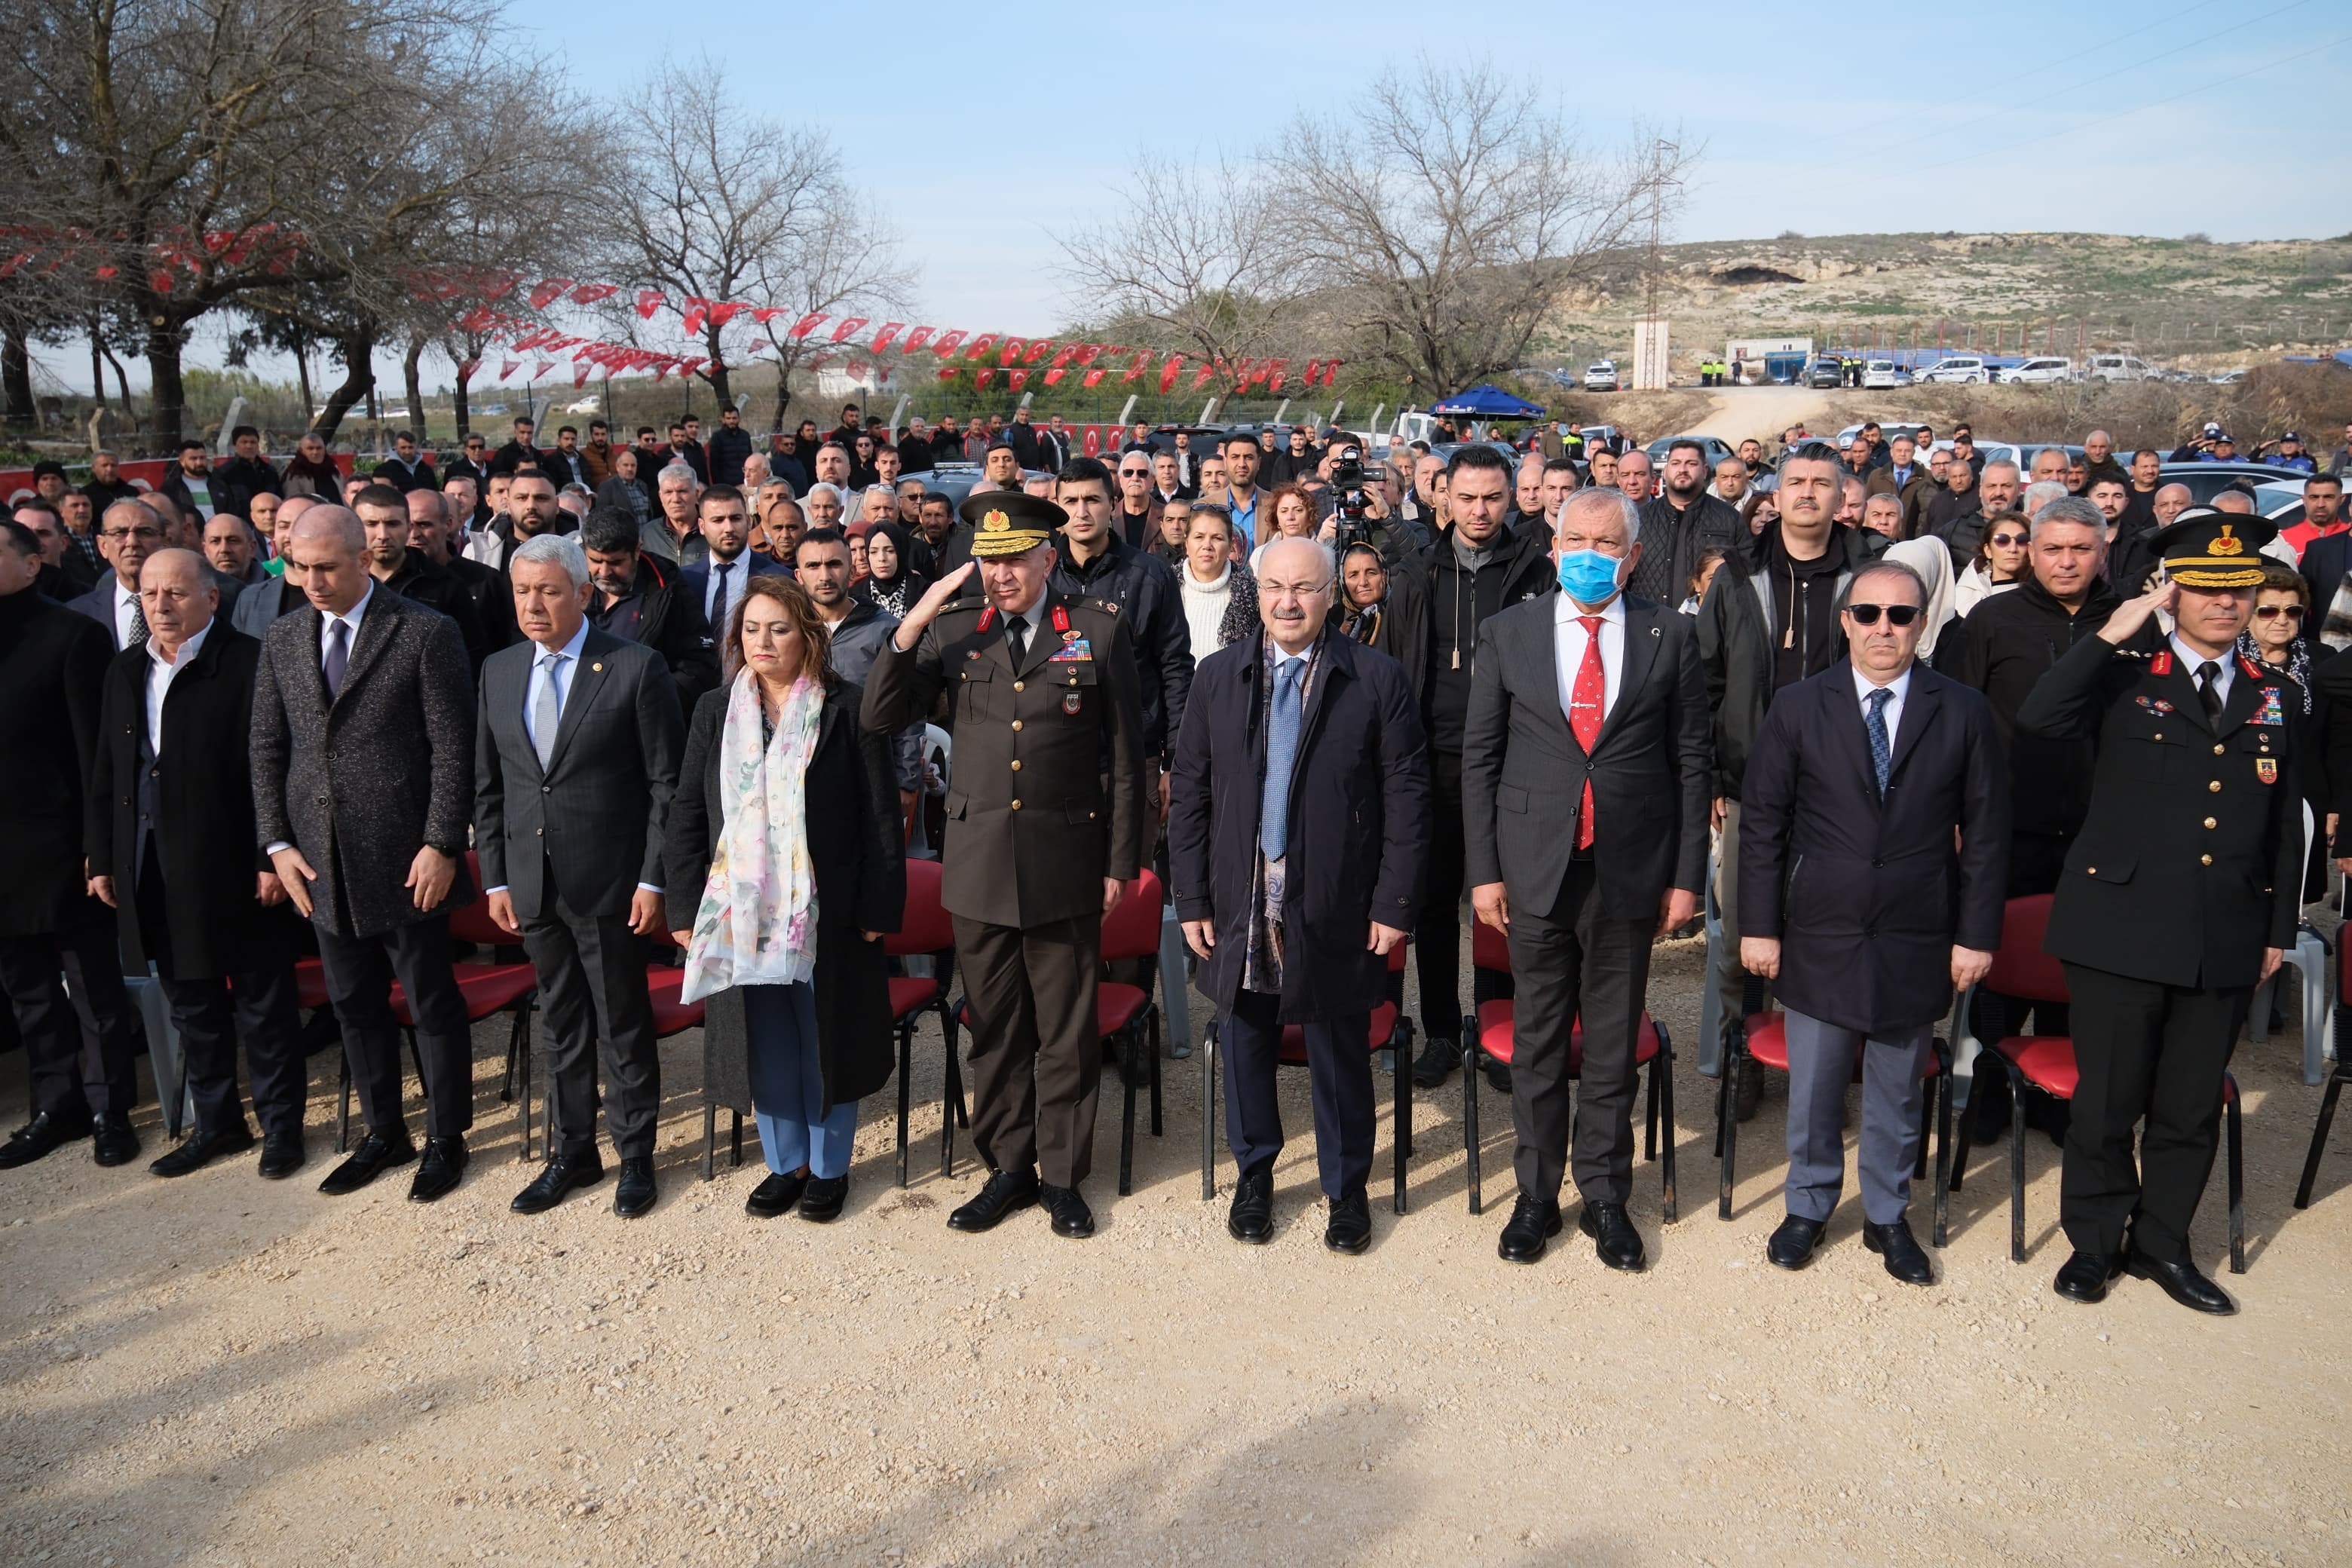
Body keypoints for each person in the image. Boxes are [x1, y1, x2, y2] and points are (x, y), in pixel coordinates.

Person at [2016, 510, 2301, 1316]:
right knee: (2107, 1102)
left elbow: (2285, 826)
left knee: (2187, 1107)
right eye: (2205, 588)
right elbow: (2039, 718)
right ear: (2173, 591)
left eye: (2239, 589)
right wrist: (2115, 628)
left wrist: (2277, 931)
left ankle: (2163, 1245)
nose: (2225, 603)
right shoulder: (2121, 673)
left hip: (2224, 933)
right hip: (2121, 926)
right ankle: (2095, 1242)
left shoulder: (2274, 694)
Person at [862, 494, 1150, 1239]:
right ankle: (1009, 1167)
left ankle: (1061, 1177)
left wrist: (1122, 860)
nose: (1000, 575)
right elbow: (880, 714)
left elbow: (1125, 757)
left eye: (1015, 560)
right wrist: (918, 616)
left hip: (1067, 861)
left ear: (1047, 560)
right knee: (993, 1026)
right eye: (989, 562)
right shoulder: (955, 632)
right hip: (980, 865)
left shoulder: (1095, 630)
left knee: (1063, 1028)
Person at [1460, 488, 1710, 1269]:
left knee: (1610, 1043)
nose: (1591, 554)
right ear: (1553, 546)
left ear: (1633, 557)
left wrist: (1686, 877)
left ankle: (1605, 1191)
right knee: (1536, 1042)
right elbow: (1481, 760)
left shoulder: (1673, 636)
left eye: (1608, 543)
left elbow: (1692, 760)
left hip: (1630, 870)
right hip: (1535, 869)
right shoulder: (1510, 632)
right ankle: (1536, 1193)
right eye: (1577, 539)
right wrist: (1484, 873)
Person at [1740, 559, 2007, 1284]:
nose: (1883, 628)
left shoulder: (1963, 710)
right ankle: (1809, 1204)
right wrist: (1758, 926)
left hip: (1917, 929)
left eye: (1900, 614)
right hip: (1820, 928)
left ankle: (1888, 1214)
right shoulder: (1798, 706)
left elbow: (1985, 833)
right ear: (1846, 620)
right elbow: (1762, 824)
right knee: (1817, 1083)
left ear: (1922, 624)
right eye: (1868, 614)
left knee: (1896, 1085)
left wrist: (1976, 935)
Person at [1169, 537, 1431, 1254]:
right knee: (1246, 1036)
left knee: (1338, 1043)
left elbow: (1408, 799)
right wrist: (1191, 896)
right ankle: (1255, 1174)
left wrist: (1393, 904)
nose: (1290, 601)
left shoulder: (1377, 679)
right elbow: (1189, 792)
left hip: (1337, 892)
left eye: (1307, 588)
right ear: (1258, 593)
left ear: (1331, 595)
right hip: (1239, 891)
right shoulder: (1219, 676)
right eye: (1276, 587)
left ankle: (1347, 1188)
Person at [250, 507, 478, 1202]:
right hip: (318, 863)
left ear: (362, 557)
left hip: (407, 858)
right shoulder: (283, 637)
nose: (311, 581)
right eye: (299, 566)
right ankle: (385, 1131)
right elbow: (266, 747)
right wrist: (277, 843)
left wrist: (441, 843)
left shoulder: (424, 631)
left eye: (325, 567)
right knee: (352, 1003)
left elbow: (453, 749)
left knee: (431, 1001)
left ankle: (446, 1136)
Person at [666, 574, 902, 1220]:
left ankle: (829, 1168)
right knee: (764, 1038)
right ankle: (784, 1163)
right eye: (751, 628)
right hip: (741, 910)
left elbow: (880, 815)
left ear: (808, 636)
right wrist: (683, 908)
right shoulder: (717, 709)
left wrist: (880, 908)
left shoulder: (845, 706)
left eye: (778, 628)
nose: (763, 641)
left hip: (829, 907)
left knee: (824, 1034)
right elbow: (687, 808)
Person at [476, 534, 684, 1219]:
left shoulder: (634, 667)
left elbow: (666, 786)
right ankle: (574, 1152)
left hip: (611, 885)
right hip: (531, 886)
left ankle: (635, 1156)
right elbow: (492, 788)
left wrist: (654, 881)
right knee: (560, 1023)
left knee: (620, 1022)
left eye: (549, 591)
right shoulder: (499, 671)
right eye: (522, 592)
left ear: (584, 594)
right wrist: (497, 880)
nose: (533, 606)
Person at [86, 549, 308, 1179]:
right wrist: (104, 856)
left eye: (176, 593)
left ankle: (281, 1128)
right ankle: (218, 1125)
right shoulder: (126, 670)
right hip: (152, 865)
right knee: (193, 1007)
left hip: (238, 865)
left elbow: (275, 769)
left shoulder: (249, 663)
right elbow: (109, 770)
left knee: (264, 1007)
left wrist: (273, 854)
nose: (161, 605)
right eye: (151, 593)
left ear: (212, 599)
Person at [1698, 446, 1870, 1106]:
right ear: (1776, 493)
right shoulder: (1738, 575)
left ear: (1839, 495)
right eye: (1796, 481)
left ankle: (1829, 1063)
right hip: (1753, 784)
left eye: (1821, 484)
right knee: (1744, 933)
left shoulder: (1869, 572)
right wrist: (1713, 772)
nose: (1807, 494)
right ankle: (1745, 1052)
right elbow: (1706, 679)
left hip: (1848, 789)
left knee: (1838, 930)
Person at [1404, 445, 1555, 1094]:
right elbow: (1399, 669)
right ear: (1442, 496)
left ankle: (1502, 1030)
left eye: (1493, 496)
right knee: (1435, 907)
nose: (1480, 510)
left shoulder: (1536, 572)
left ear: (1513, 497)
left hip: (1512, 765)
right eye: (1466, 497)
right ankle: (1440, 1030)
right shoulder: (1414, 574)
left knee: (1509, 903)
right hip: (1433, 761)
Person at [0, 519, 141, 1169]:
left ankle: (111, 1106)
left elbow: (97, 756)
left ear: (33, 564)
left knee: (92, 985)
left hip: (62, 844)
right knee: (28, 988)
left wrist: (100, 846)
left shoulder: (72, 635)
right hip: (3, 854)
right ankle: (56, 1106)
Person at [1048, 458, 1194, 803]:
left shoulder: (1151, 575)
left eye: (1093, 500)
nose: (1081, 512)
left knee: (1132, 858)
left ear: (1112, 504)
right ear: (1057, 508)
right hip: (1055, 755)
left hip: (1134, 756)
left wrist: (1174, 760)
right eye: (1070, 501)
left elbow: (1175, 669)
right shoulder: (1041, 575)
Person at [353, 482, 488, 669]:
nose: (383, 535)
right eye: (371, 524)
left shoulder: (446, 585)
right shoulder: (342, 583)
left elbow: (473, 656)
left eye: (392, 524)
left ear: (408, 527)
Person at [1629, 439, 1742, 605]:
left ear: (1704, 471)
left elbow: (1745, 580)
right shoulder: (1640, 519)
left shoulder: (1729, 518)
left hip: (1708, 625)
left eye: (1691, 463)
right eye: (1676, 463)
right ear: (1666, 470)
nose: (1682, 470)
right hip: (1649, 624)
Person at [679, 483, 786, 642]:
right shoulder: (684, 580)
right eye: (718, 520)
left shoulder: (779, 578)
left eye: (735, 518)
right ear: (702, 526)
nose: (728, 528)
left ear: (749, 522)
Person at [1175, 504, 1261, 664]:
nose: (1207, 546)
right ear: (1186, 544)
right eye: (1199, 537)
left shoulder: (1250, 597)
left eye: (1217, 538)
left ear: (1230, 547)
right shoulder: (1166, 588)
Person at [1950, 510, 2030, 619]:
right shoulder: (1967, 592)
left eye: (2022, 540)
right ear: (1988, 550)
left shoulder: (2041, 595)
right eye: (2002, 540)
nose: (2013, 549)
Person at [857, 518, 929, 618]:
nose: (882, 558)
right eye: (873, 552)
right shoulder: (854, 596)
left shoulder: (924, 591)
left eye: (890, 551)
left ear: (901, 552)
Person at [374, 430, 439, 495]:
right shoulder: (384, 470)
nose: (407, 452)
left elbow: (436, 493)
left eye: (411, 447)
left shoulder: (426, 470)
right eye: (403, 448)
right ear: (396, 448)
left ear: (416, 447)